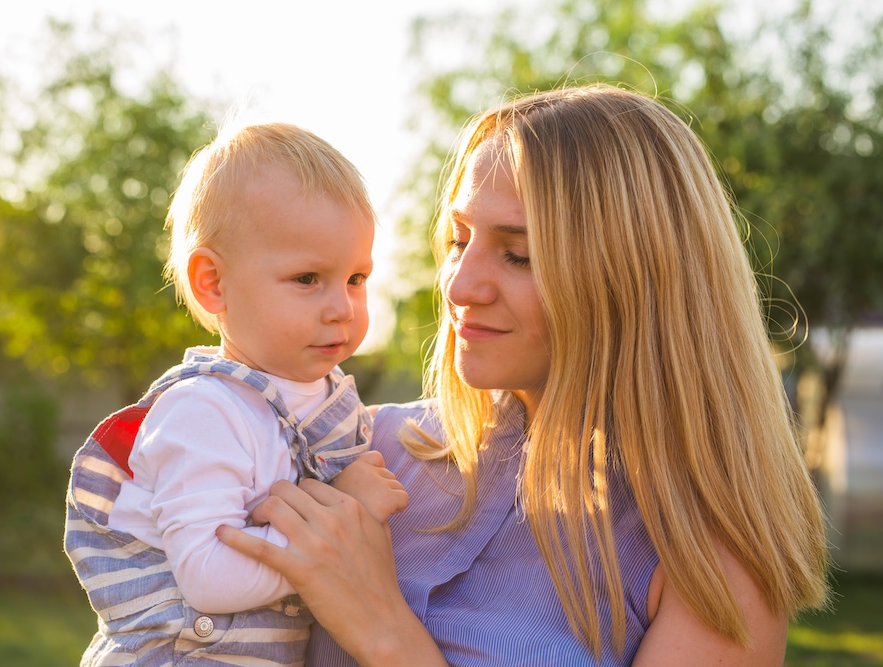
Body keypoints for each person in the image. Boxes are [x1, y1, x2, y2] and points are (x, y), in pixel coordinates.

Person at [217, 85, 831, 666]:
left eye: (519, 255)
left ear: (635, 281)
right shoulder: (356, 448)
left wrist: (385, 633)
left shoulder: (712, 563)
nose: (459, 286)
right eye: (458, 240)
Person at [63, 122, 408, 667]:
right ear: (213, 282)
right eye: (307, 278)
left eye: (357, 278)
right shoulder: (205, 411)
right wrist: (348, 514)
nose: (342, 306)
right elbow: (209, 578)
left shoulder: (328, 402)